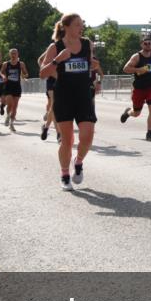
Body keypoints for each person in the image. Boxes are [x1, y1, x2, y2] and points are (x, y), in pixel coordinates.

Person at [39, 13, 97, 191]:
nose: (81, 28)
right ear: (66, 27)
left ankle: (78, 162)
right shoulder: (56, 47)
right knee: (67, 140)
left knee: (87, 135)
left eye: (82, 24)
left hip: (84, 95)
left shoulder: (87, 44)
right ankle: (65, 174)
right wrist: (57, 60)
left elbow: (90, 64)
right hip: (64, 97)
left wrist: (94, 70)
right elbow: (42, 74)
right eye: (77, 25)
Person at [121, 36, 151, 141]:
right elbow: (126, 68)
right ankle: (128, 113)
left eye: (149, 43)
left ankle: (149, 133)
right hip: (139, 89)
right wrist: (139, 69)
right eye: (145, 43)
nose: (148, 45)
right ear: (141, 44)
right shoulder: (137, 57)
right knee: (136, 113)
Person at [0, 49, 28, 132]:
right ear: (9, 54)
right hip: (8, 86)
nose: (13, 55)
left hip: (17, 87)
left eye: (15, 53)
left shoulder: (21, 64)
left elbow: (26, 73)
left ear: (17, 54)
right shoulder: (6, 64)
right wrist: (3, 76)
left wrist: (24, 76)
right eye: (12, 53)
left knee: (15, 107)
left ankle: (11, 124)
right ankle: (8, 116)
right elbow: (1, 72)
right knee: (10, 104)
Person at [37, 52, 57, 141]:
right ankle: (59, 134)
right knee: (54, 104)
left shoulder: (70, 47)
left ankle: (46, 127)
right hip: (52, 81)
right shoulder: (53, 47)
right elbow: (40, 60)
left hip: (65, 80)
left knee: (57, 107)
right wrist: (46, 70)